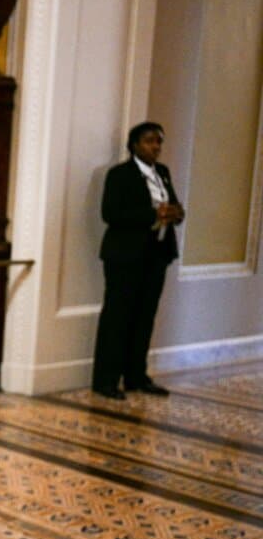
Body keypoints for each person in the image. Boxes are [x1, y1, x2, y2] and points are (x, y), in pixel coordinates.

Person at [91, 121, 184, 400]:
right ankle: (106, 380)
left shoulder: (163, 173)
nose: (155, 147)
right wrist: (154, 215)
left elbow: (174, 206)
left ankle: (136, 376)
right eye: (149, 141)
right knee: (117, 318)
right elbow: (110, 214)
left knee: (145, 317)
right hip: (124, 256)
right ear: (134, 145)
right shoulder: (119, 175)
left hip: (157, 256)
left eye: (158, 141)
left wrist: (176, 214)